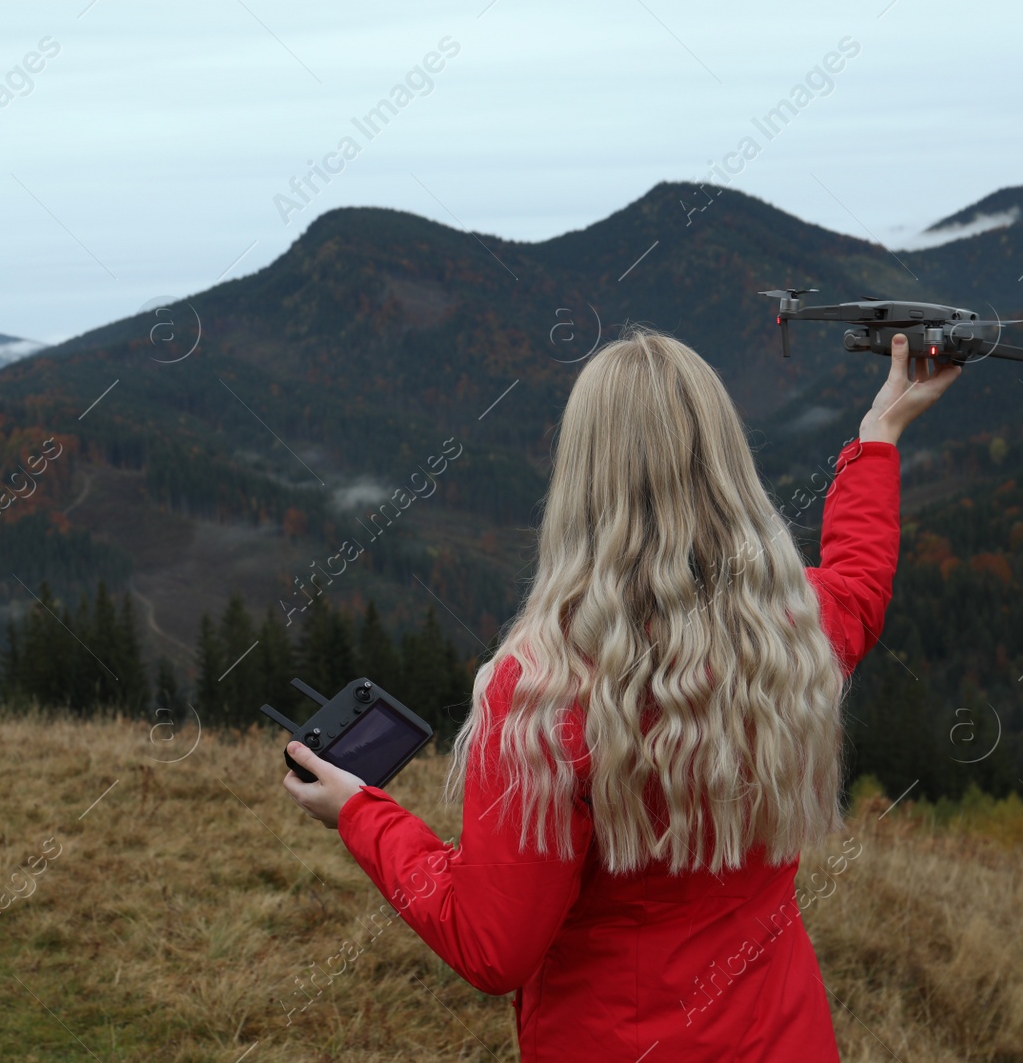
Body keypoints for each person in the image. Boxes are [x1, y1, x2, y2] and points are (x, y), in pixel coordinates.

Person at [281, 328, 960, 1061]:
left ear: (580, 480)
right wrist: (878, 432)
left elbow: (492, 947)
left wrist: (359, 813)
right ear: (725, 462)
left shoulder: (547, 692)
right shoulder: (789, 633)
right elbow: (857, 584)